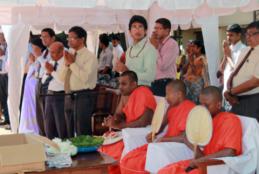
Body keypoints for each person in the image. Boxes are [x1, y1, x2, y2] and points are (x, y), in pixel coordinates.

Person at [158, 86, 242, 174]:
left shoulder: (230, 120)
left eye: (207, 105)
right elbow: (187, 139)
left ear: (219, 105)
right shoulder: (205, 120)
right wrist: (192, 145)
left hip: (216, 166)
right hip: (201, 162)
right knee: (165, 171)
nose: (203, 108)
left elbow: (230, 152)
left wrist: (201, 160)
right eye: (201, 104)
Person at [120, 79, 195, 174]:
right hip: (162, 143)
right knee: (131, 158)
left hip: (174, 146)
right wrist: (155, 133)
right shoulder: (171, 107)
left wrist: (164, 140)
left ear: (179, 94)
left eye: (168, 94)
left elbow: (185, 137)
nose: (166, 98)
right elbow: (161, 125)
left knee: (141, 162)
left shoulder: (190, 108)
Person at [99, 70, 157, 174]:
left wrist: (119, 125)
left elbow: (144, 122)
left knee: (113, 149)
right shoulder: (125, 95)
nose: (120, 87)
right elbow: (119, 114)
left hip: (141, 132)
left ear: (134, 84)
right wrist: (113, 120)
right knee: (103, 142)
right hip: (128, 130)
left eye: (124, 84)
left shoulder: (143, 92)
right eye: (120, 83)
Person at [59, 26, 98, 137]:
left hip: (83, 95)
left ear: (82, 39)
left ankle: (87, 154)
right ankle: (72, 152)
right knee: (69, 129)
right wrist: (67, 65)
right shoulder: (70, 54)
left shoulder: (90, 57)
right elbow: (62, 78)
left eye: (72, 38)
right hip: (68, 94)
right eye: (68, 38)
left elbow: (85, 77)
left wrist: (72, 64)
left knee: (82, 130)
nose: (69, 40)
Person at [224, 21, 259, 121]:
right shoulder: (245, 50)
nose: (247, 37)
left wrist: (231, 92)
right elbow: (234, 72)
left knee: (250, 132)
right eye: (246, 34)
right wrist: (229, 92)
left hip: (252, 99)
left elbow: (255, 82)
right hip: (235, 99)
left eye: (251, 34)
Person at [115, 15, 157, 86]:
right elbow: (126, 72)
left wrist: (127, 72)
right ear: (129, 31)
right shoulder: (129, 50)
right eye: (134, 26)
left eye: (140, 26)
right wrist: (120, 69)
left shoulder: (150, 49)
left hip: (142, 89)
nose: (137, 30)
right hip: (129, 89)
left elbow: (150, 76)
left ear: (145, 31)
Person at [19, 38, 45, 134]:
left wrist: (33, 62)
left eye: (34, 47)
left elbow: (38, 72)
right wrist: (30, 62)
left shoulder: (42, 58)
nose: (32, 50)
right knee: (28, 107)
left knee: (35, 107)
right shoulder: (33, 57)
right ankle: (28, 126)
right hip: (28, 85)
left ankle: (36, 127)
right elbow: (25, 71)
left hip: (35, 85)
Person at [217, 24, 246, 111]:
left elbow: (236, 70)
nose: (228, 38)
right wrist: (226, 55)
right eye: (227, 35)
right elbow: (221, 69)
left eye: (231, 35)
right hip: (226, 90)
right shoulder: (229, 48)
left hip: (236, 91)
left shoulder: (243, 49)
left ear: (239, 35)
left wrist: (228, 56)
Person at [43, 42, 67, 139]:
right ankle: (50, 147)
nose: (50, 55)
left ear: (61, 52)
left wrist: (52, 72)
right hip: (49, 95)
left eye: (53, 52)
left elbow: (63, 82)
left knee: (61, 125)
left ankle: (63, 148)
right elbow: (44, 79)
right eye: (50, 52)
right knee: (48, 125)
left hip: (60, 96)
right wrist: (49, 72)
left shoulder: (66, 62)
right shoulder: (52, 62)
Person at [150, 18, 179, 96]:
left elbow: (163, 66)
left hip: (165, 83)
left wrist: (155, 48)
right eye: (155, 28)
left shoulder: (172, 44)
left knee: (162, 107)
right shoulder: (157, 43)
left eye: (159, 28)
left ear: (167, 31)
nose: (155, 31)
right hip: (155, 83)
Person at [36, 28, 56, 136]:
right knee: (40, 112)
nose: (43, 39)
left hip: (49, 83)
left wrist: (39, 57)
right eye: (41, 37)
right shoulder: (44, 51)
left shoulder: (57, 51)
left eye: (45, 36)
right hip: (40, 81)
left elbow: (49, 68)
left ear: (53, 38)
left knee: (47, 113)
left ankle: (49, 136)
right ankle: (42, 135)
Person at [0, 32, 9, 127]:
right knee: (3, 99)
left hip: (7, 75)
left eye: (1, 35)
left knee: (8, 97)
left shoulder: (8, 46)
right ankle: (7, 119)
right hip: (1, 75)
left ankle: (10, 120)